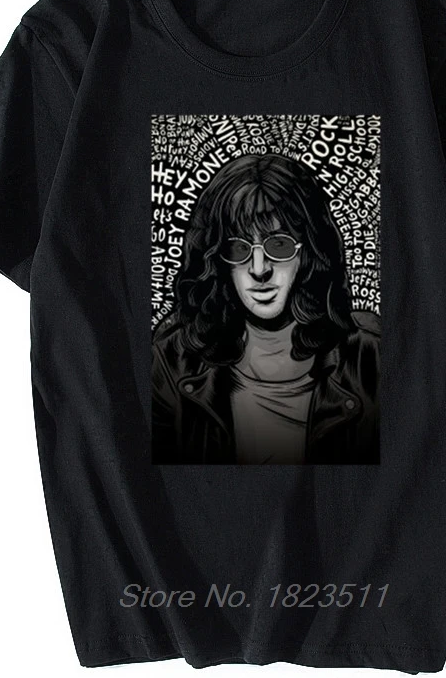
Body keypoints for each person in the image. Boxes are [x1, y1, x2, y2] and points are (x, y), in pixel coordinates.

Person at [151, 153, 380, 464]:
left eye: (278, 245)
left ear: (309, 252)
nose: (259, 269)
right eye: (239, 248)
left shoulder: (372, 361)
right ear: (216, 259)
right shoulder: (170, 365)